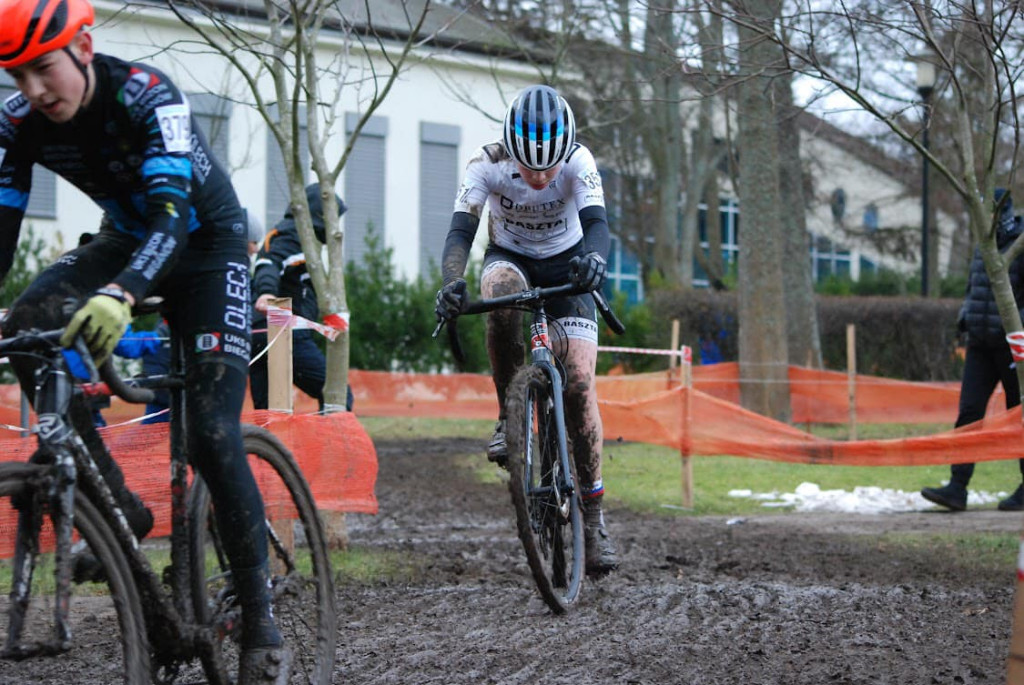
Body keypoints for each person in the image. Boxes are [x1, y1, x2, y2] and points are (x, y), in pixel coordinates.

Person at [0, 2, 290, 681]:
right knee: (25, 328)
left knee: (214, 434)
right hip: (125, 239)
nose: (35, 90)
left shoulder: (150, 96)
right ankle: (118, 504)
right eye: (17, 76)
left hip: (205, 244)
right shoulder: (16, 123)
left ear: (83, 46)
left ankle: (260, 616)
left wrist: (122, 294)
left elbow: (172, 214)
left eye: (44, 68)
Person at [434, 84, 617, 575]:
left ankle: (594, 517)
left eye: (549, 169)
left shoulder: (580, 161)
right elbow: (460, 231)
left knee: (578, 384)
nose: (539, 178)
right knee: (496, 292)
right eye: (529, 167)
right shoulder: (486, 161)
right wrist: (452, 282)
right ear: (510, 150)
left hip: (569, 266)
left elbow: (598, 224)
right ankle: (506, 417)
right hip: (510, 257)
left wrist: (595, 260)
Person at [921, 189, 1024, 513]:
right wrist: (964, 320)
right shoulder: (983, 244)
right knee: (969, 413)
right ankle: (957, 488)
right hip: (979, 343)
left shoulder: (1020, 246)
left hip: (1013, 347)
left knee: (1019, 417)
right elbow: (973, 287)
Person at [250, 183, 353, 412]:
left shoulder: (295, 237)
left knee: (271, 414)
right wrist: (266, 292)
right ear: (320, 215)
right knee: (337, 394)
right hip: (284, 332)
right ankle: (330, 448)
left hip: (260, 333)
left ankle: (269, 447)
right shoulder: (293, 236)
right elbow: (269, 263)